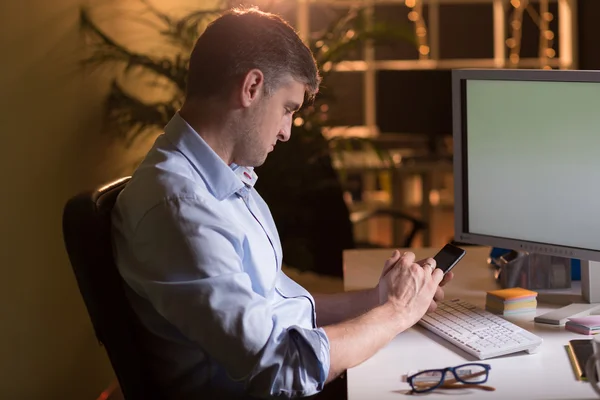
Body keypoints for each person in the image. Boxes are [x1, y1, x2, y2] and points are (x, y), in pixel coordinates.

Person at [111, 6, 453, 399]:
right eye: (288, 109)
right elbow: (281, 368)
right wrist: (395, 314)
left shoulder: (221, 179)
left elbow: (280, 309)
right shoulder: (181, 208)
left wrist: (379, 300)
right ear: (252, 87)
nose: (287, 132)